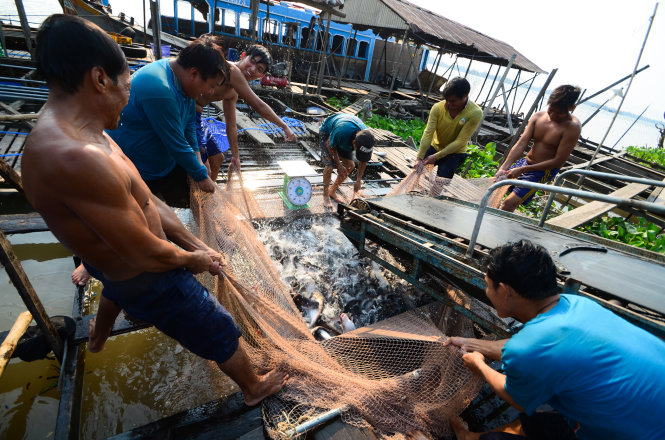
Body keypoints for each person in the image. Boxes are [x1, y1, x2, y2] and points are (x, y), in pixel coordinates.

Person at [23, 14, 287, 406]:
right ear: (99, 80)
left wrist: (189, 239)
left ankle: (96, 337)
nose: (128, 97)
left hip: (113, 265)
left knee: (111, 281)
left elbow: (145, 197)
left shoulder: (89, 131)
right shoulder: (71, 156)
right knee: (217, 326)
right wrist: (192, 258)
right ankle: (253, 387)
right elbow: (142, 252)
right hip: (143, 274)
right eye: (125, 85)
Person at [443, 240, 665, 440]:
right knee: (543, 420)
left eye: (487, 284)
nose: (486, 290)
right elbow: (538, 349)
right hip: (648, 409)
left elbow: (517, 398)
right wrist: (473, 344)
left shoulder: (528, 348)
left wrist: (479, 365)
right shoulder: (578, 304)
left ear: (504, 290)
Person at [106, 34, 229, 206]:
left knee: (199, 201)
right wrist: (201, 175)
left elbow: (188, 125)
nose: (210, 93)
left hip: (162, 163)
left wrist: (198, 159)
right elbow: (176, 142)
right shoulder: (160, 88)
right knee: (149, 217)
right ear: (194, 73)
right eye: (211, 85)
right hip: (134, 167)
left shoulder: (184, 82)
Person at [208, 44, 297, 173]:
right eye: (252, 61)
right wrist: (284, 126)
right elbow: (258, 105)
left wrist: (235, 157)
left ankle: (207, 193)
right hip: (184, 106)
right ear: (243, 56)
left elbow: (231, 125)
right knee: (201, 166)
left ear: (260, 76)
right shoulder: (231, 69)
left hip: (195, 116)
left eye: (259, 69)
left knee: (217, 158)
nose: (253, 69)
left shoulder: (233, 92)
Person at [493, 85, 582, 212]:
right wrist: (504, 167)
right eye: (551, 109)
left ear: (571, 108)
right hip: (525, 161)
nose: (553, 115)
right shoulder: (538, 116)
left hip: (542, 171)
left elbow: (558, 161)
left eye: (559, 113)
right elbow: (521, 143)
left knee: (509, 203)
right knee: (496, 189)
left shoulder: (572, 127)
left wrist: (523, 169)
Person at [414, 77, 483, 180]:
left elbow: (460, 141)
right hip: (436, 146)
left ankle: (434, 195)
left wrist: (437, 157)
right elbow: (428, 133)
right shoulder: (437, 107)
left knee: (441, 179)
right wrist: (419, 158)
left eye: (453, 101)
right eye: (447, 100)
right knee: (418, 170)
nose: (449, 104)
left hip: (455, 152)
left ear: (465, 96)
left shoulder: (475, 113)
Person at [319, 112, 375, 209]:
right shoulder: (341, 133)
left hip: (346, 133)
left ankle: (332, 190)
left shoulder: (367, 139)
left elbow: (363, 160)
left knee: (350, 165)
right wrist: (339, 166)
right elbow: (330, 145)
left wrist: (358, 179)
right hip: (328, 131)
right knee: (330, 165)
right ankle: (325, 196)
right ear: (353, 143)